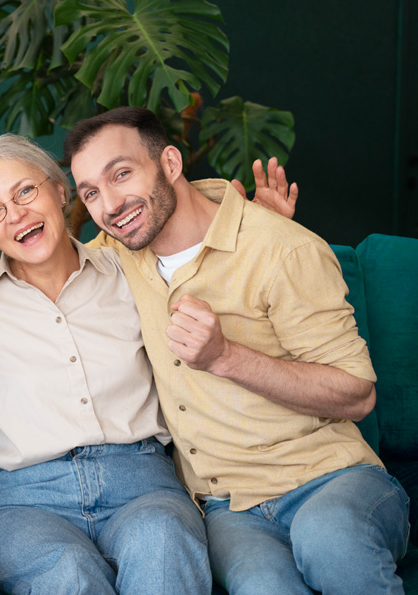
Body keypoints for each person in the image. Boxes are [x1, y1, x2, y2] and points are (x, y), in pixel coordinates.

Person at [66, 106, 410, 595]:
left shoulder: (282, 249)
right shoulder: (117, 252)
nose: (110, 204)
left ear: (169, 162)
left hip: (331, 479)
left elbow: (357, 396)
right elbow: (42, 264)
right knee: (262, 587)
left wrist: (225, 356)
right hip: (229, 506)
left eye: (122, 174)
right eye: (91, 193)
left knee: (328, 539)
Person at [0, 134, 210, 595]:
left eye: (25, 192)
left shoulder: (131, 270)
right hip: (24, 500)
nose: (15, 214)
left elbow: (204, 251)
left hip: (141, 482)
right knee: (68, 570)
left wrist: (264, 228)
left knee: (162, 541)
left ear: (60, 190)